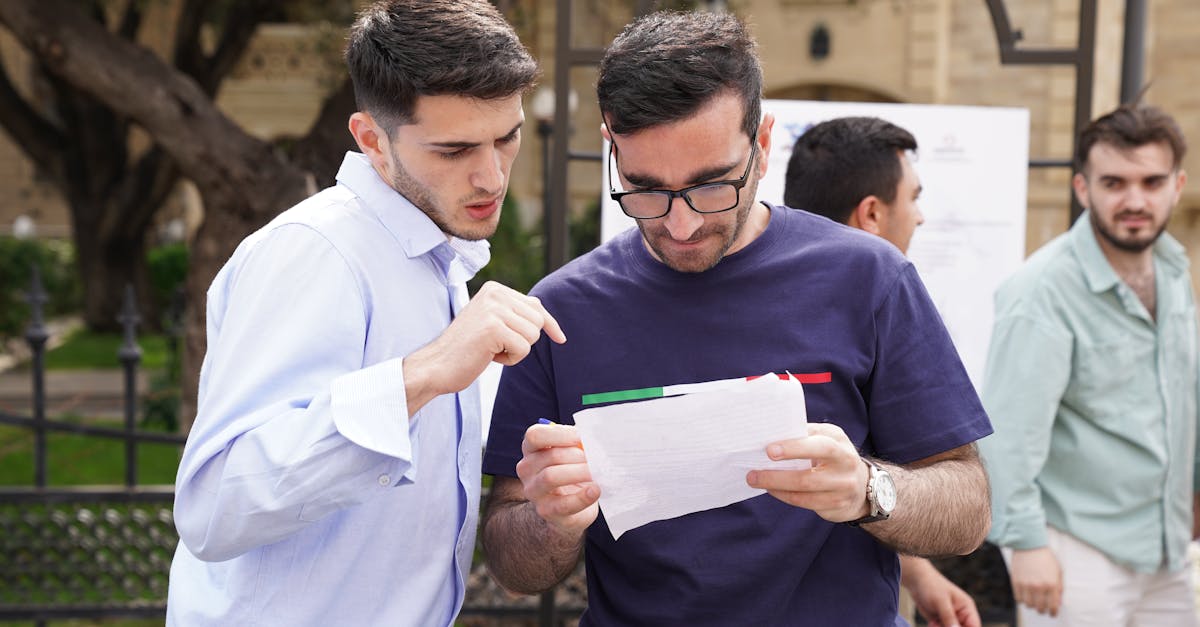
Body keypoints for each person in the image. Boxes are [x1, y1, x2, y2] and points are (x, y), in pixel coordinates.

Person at [480, 11, 992, 625]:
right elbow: (511, 563)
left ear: (764, 143)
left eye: (712, 185)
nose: (681, 223)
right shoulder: (563, 308)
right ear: (610, 144)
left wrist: (866, 490)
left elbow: (967, 507)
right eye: (645, 189)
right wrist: (551, 520)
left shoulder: (869, 280)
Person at [167, 2, 564, 625]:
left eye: (506, 137)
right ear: (371, 141)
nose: (491, 175)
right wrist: (424, 374)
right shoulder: (315, 253)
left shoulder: (434, 257)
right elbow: (212, 509)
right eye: (454, 149)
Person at [979, 103, 1195, 626]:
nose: (1135, 200)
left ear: (1178, 185)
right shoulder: (1042, 292)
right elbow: (1007, 437)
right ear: (1083, 189)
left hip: (1165, 549)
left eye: (1151, 181)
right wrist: (1027, 544)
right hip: (1076, 551)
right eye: (1114, 183)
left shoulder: (1174, 271)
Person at [786, 115, 979, 627]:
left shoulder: (874, 299)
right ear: (871, 213)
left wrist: (920, 576)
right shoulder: (883, 293)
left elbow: (856, 481)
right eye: (913, 198)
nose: (919, 218)